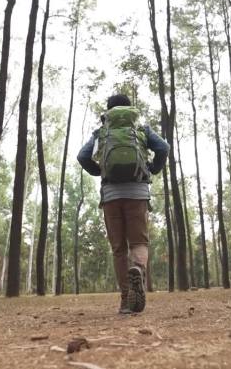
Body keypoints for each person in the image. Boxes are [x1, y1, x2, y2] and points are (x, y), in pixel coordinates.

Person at [77, 94, 169, 314]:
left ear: (108, 111)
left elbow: (82, 156)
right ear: (130, 110)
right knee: (139, 242)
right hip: (137, 193)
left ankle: (126, 300)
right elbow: (163, 147)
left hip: (110, 196)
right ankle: (137, 268)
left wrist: (100, 171)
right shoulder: (141, 130)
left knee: (119, 249)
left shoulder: (102, 133)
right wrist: (153, 168)